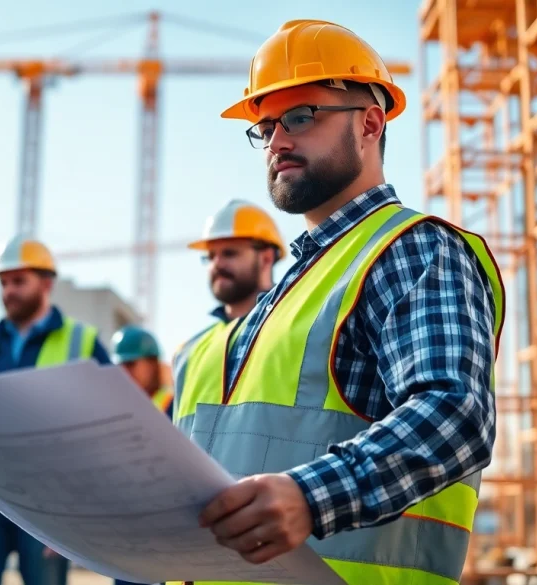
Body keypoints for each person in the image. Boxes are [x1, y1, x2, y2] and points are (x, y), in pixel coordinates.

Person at [175, 19, 506, 585]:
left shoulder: (413, 250)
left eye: (300, 116)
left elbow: (456, 414)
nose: (277, 141)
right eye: (266, 126)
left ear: (370, 124)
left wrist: (310, 497)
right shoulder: (291, 288)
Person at [0, 234, 113, 585]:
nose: (8, 291)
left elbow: (111, 425)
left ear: (46, 283)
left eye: (19, 281)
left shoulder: (82, 342)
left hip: (51, 508)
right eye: (3, 282)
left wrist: (83, 508)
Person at [170, 199, 284, 419]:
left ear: (266, 258)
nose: (217, 264)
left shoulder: (294, 328)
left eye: (230, 253)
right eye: (211, 256)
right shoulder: (187, 353)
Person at [110, 324, 173, 418]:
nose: (123, 371)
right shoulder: (114, 407)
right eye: (119, 365)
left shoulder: (174, 406)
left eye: (130, 364)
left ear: (152, 363)